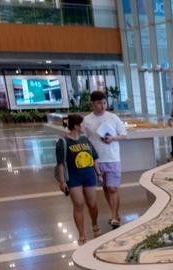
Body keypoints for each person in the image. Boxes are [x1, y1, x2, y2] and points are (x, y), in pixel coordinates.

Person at [55, 113, 103, 245]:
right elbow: (60, 164)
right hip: (74, 177)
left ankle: (94, 224)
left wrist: (98, 173)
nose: (84, 126)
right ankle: (82, 234)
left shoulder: (86, 140)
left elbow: (93, 158)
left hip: (89, 175)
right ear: (76, 126)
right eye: (82, 124)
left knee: (92, 204)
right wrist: (62, 181)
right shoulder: (63, 142)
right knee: (78, 205)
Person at [84, 90, 128, 228]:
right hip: (97, 160)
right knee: (105, 188)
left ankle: (114, 217)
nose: (102, 106)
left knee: (112, 187)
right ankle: (114, 213)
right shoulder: (87, 120)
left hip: (113, 158)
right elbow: (85, 140)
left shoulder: (113, 117)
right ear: (92, 104)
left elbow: (124, 135)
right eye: (99, 103)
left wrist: (113, 138)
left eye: (104, 103)